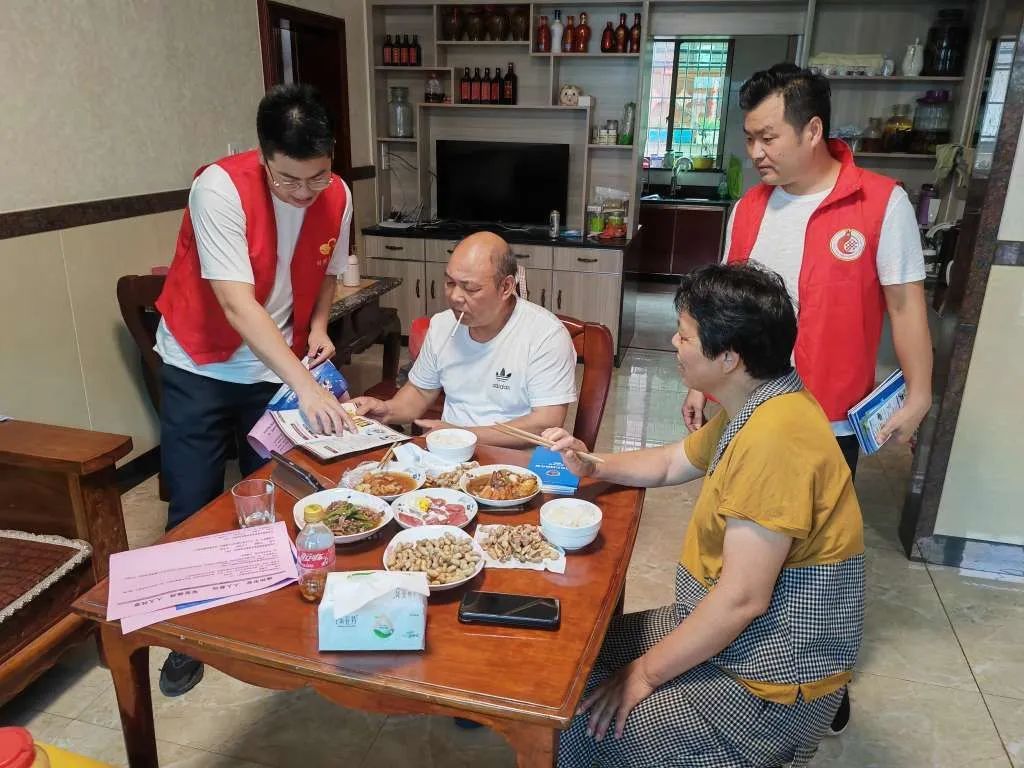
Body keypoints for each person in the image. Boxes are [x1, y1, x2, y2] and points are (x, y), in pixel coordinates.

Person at [682, 64, 931, 732]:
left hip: (827, 420)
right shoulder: (750, 207)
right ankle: (736, 661)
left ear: (813, 128)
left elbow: (905, 305)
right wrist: (703, 385)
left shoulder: (879, 202)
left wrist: (920, 392)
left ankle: (817, 681)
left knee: (811, 561)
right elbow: (720, 310)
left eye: (768, 137)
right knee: (744, 546)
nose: (755, 152)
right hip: (747, 411)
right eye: (749, 137)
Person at [546, 263, 865, 768]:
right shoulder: (762, 400)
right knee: (576, 654)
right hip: (737, 634)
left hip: (768, 683)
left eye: (685, 335)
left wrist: (646, 674)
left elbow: (741, 600)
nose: (674, 343)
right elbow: (674, 461)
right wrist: (593, 463)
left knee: (571, 728)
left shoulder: (775, 440)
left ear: (729, 357)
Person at [153, 84, 355, 696]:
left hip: (274, 368)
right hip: (200, 362)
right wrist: (306, 385)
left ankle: (266, 623)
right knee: (193, 501)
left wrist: (318, 325)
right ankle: (185, 636)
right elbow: (237, 305)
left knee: (273, 491)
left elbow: (328, 269)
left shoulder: (338, 193)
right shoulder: (219, 188)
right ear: (264, 155)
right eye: (289, 178)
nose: (304, 191)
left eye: (317, 176)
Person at [351, 231, 577, 446]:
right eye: (450, 283)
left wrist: (463, 434)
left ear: (506, 287)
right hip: (451, 455)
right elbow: (420, 391)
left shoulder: (545, 335)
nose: (455, 297)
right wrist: (387, 410)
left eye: (470, 288)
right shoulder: (442, 325)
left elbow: (546, 421)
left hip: (516, 460)